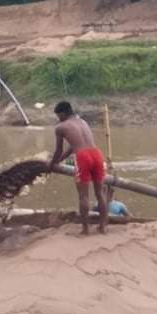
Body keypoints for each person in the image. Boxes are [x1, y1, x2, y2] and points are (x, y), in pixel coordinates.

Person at [47, 101, 108, 235]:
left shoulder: (60, 127)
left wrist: (51, 164)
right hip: (96, 154)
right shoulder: (83, 122)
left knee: (83, 196)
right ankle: (103, 227)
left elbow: (58, 150)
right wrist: (61, 159)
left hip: (82, 157)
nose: (58, 118)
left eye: (58, 115)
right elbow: (73, 146)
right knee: (100, 193)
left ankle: (85, 230)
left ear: (63, 113)